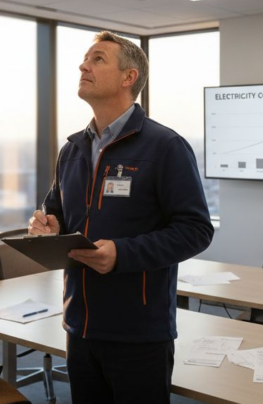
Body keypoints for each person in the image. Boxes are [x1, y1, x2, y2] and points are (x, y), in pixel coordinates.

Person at [28, 30, 214, 404]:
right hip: (80, 325)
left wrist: (121, 254)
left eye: (98, 59)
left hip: (139, 331)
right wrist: (48, 226)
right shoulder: (73, 149)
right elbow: (58, 212)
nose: (84, 65)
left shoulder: (165, 147)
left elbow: (196, 230)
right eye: (85, 59)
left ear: (129, 77)